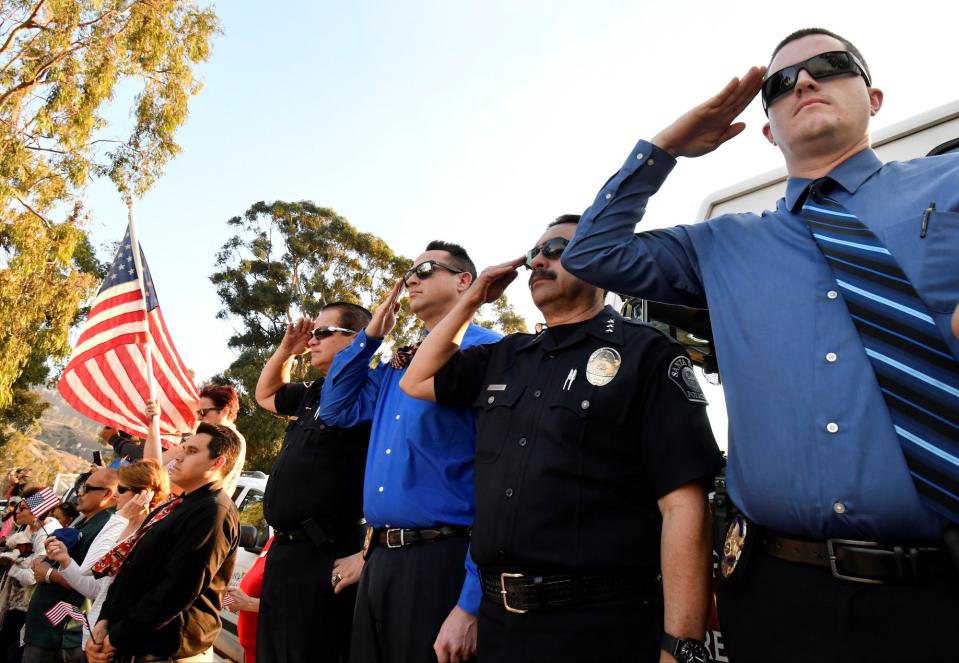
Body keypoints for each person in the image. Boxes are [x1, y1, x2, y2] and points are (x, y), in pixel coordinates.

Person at [562, 27, 959, 663]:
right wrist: (666, 149)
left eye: (830, 66)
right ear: (769, 129)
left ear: (874, 98)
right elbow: (593, 253)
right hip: (778, 596)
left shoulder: (949, 184)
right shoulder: (722, 244)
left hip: (941, 594)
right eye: (780, 83)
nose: (804, 82)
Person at [400, 217, 724, 663]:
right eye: (534, 253)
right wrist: (473, 298)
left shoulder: (646, 354)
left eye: (556, 248)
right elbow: (417, 379)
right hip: (499, 625)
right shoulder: (506, 356)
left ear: (602, 261)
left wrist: (679, 646)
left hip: (599, 626)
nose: (538, 260)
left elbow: (684, 505)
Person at [320, 241, 501, 663]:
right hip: (380, 559)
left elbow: (501, 479)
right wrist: (369, 339)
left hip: (441, 560)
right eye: (409, 272)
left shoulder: (490, 352)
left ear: (464, 282)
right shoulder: (398, 362)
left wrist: (471, 600)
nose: (411, 279)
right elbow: (336, 408)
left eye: (427, 270)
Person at [254, 302, 373, 663]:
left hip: (328, 552)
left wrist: (368, 553)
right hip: (285, 553)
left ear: (356, 340)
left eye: (323, 332)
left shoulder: (373, 392)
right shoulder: (313, 392)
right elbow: (265, 395)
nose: (312, 340)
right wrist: (286, 349)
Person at [85, 423, 242, 663]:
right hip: (130, 641)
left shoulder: (213, 512)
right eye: (184, 448)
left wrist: (116, 636)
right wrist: (105, 620)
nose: (178, 457)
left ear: (216, 463)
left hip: (165, 651)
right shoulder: (177, 505)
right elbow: (131, 568)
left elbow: (176, 589)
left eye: (191, 452)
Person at [44, 460, 170, 649]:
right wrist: (66, 561)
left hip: (114, 641)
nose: (116, 495)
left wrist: (120, 518)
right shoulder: (121, 525)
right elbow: (96, 588)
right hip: (92, 636)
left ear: (144, 494)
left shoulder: (142, 531)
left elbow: (89, 566)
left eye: (121, 488)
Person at [23, 471, 116, 663]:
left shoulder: (107, 527)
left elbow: (94, 584)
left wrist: (49, 573)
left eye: (86, 488)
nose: (79, 493)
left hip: (61, 631)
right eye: (80, 488)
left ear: (107, 494)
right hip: (43, 626)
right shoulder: (84, 520)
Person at [0, 491, 63, 663]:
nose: (17, 512)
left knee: (13, 649)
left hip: (28, 604)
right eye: (18, 508)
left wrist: (11, 564)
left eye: (23, 508)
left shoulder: (49, 533)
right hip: (13, 600)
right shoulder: (29, 529)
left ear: (37, 511)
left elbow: (34, 576)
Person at [226, 537, 273, 663]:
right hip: (251, 650)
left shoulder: (301, 547)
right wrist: (235, 600)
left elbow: (299, 606)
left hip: (270, 650)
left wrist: (249, 603)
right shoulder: (274, 540)